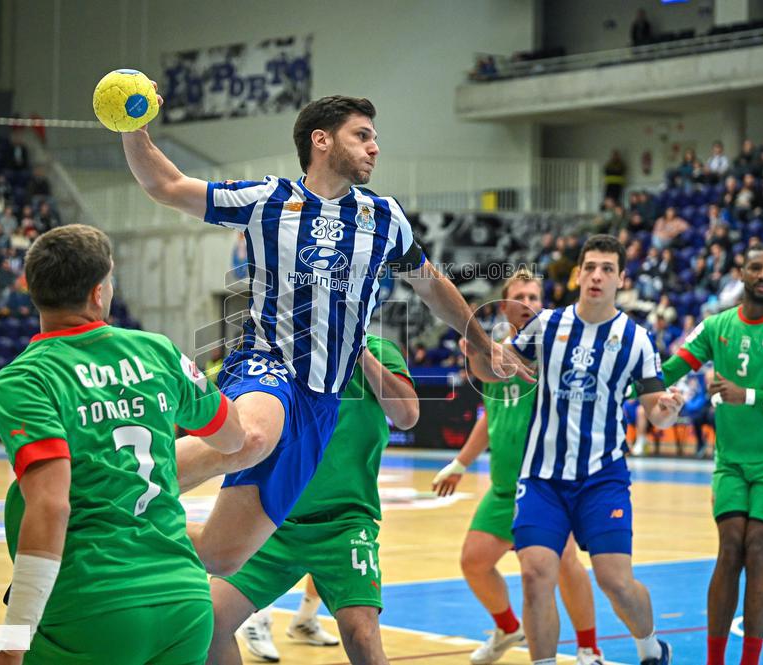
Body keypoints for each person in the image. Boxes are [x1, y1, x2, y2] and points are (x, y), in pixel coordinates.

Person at [122, 89, 532, 576]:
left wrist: (484, 345)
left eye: (375, 138)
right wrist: (132, 127)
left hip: (324, 402)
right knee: (251, 437)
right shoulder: (266, 200)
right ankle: (112, 483)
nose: (374, 147)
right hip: (267, 366)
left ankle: (121, 534)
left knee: (221, 556)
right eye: (362, 136)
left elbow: (434, 288)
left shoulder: (384, 217)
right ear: (321, 140)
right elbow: (165, 186)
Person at [0, 225, 246, 665]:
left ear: (30, 288)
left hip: (94, 606)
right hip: (184, 603)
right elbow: (233, 436)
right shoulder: (159, 351)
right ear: (98, 292)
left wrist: (12, 639)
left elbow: (50, 505)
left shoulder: (25, 380)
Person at [466, 235, 684, 665]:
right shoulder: (547, 325)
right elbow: (495, 371)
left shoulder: (637, 339)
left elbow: (656, 413)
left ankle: (650, 646)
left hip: (602, 477)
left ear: (621, 278)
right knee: (534, 574)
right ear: (578, 274)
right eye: (589, 267)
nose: (596, 276)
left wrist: (668, 410)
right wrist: (475, 355)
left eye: (606, 268)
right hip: (542, 477)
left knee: (615, 581)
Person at [197, 334, 419, 665]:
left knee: (362, 635)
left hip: (343, 525)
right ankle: (303, 620)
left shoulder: (376, 350)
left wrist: (362, 356)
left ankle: (305, 620)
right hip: (273, 524)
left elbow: (407, 416)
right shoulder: (275, 353)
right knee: (209, 623)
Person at [662, 242, 763, 665]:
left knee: (758, 547)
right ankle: (714, 661)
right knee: (729, 546)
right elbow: (670, 369)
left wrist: (747, 395)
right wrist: (625, 388)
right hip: (732, 460)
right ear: (741, 272)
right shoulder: (716, 326)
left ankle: (748, 661)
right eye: (755, 268)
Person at [432, 270, 603, 665]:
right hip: (504, 486)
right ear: (506, 307)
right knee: (474, 562)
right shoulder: (497, 353)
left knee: (561, 564)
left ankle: (588, 647)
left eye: (536, 296)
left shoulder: (555, 351)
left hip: (545, 485)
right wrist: (460, 462)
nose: (529, 303)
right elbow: (490, 415)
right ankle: (509, 629)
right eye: (521, 296)